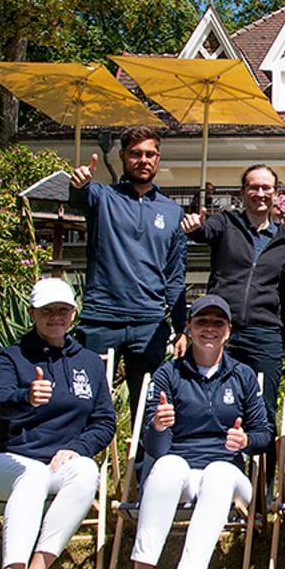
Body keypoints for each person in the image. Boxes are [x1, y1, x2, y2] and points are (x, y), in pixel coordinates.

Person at [0, 278, 116, 569]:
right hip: (0, 463)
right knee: (31, 476)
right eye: (47, 311)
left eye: (62, 310)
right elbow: (0, 400)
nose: (55, 317)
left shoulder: (88, 363)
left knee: (85, 471)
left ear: (73, 314)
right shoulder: (9, 358)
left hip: (55, 465)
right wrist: (26, 397)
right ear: (33, 314)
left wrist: (79, 447)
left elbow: (104, 421)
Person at [115, 294, 273, 569]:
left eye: (218, 323)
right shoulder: (168, 374)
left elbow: (264, 433)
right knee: (167, 466)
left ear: (228, 331)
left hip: (228, 477)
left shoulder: (242, 375)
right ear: (189, 327)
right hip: (181, 471)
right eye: (202, 322)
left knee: (218, 472)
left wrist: (245, 441)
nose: (210, 329)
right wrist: (159, 426)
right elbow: (153, 447)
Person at [70, 125, 187, 415]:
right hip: (101, 319)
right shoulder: (101, 198)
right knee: (86, 403)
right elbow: (79, 200)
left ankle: (141, 461)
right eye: (135, 154)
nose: (143, 160)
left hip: (148, 324)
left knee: (146, 409)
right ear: (122, 156)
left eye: (150, 154)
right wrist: (79, 185)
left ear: (159, 159)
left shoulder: (172, 212)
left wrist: (182, 327)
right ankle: (82, 460)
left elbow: (175, 277)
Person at [182, 164, 285, 428]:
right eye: (253, 187)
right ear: (243, 192)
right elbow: (204, 232)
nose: (260, 193)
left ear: (275, 193)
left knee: (263, 410)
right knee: (215, 403)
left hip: (265, 334)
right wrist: (195, 226)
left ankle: (263, 470)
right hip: (222, 329)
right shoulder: (225, 223)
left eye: (266, 187)